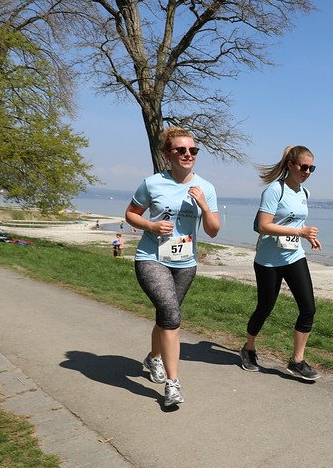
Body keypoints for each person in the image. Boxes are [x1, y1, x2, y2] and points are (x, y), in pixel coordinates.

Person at [124, 127, 220, 407]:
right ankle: (172, 384)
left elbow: (213, 230)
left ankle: (154, 357)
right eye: (181, 150)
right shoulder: (152, 183)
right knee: (171, 316)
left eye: (193, 150)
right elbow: (131, 214)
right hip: (151, 258)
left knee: (167, 316)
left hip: (185, 264)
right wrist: (151, 225)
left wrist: (203, 204)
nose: (188, 154)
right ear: (168, 154)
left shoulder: (206, 187)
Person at [239, 145, 321, 382]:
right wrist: (300, 231)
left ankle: (297, 361)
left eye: (311, 168)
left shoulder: (304, 193)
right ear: (290, 165)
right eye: (303, 166)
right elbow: (264, 226)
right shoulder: (275, 190)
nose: (307, 171)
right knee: (265, 308)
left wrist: (310, 237)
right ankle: (249, 348)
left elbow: (297, 223)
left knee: (308, 308)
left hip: (294, 255)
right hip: (268, 260)